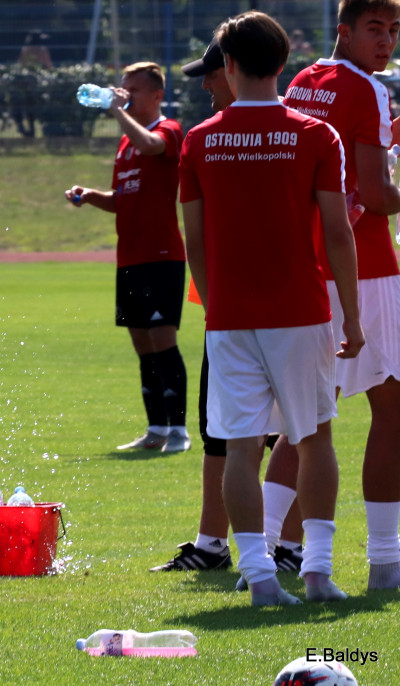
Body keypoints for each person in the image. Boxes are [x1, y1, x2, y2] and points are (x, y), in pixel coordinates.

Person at [180, 10, 363, 606]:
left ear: (227, 65)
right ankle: (316, 571)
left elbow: (195, 241)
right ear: (284, 63)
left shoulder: (199, 139)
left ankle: (260, 577)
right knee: (314, 440)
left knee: (240, 446)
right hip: (301, 310)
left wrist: (214, 303)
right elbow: (338, 232)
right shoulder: (316, 135)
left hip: (230, 316)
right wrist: (354, 319)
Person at [151, 38, 305, 574]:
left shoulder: (266, 135)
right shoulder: (209, 141)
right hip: (229, 313)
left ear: (234, 70)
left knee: (294, 432)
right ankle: (214, 544)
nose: (205, 85)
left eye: (211, 74)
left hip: (280, 311)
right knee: (223, 433)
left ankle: (287, 549)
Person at [264, 0, 400, 592]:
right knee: (391, 412)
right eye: (375, 28)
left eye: (394, 30)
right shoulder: (366, 88)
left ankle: (262, 556)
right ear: (344, 31)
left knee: (304, 422)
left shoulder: (303, 80)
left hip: (303, 265)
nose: (387, 41)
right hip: (364, 266)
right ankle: (386, 564)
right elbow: (374, 193)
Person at [65, 62, 191, 454]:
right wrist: (89, 196)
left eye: (133, 89)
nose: (124, 93)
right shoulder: (125, 143)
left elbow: (152, 147)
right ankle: (155, 429)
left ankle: (180, 432)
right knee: (142, 344)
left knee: (162, 340)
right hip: (130, 258)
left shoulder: (166, 130)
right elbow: (123, 200)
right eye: (122, 87)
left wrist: (118, 113)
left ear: (156, 95)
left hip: (161, 256)